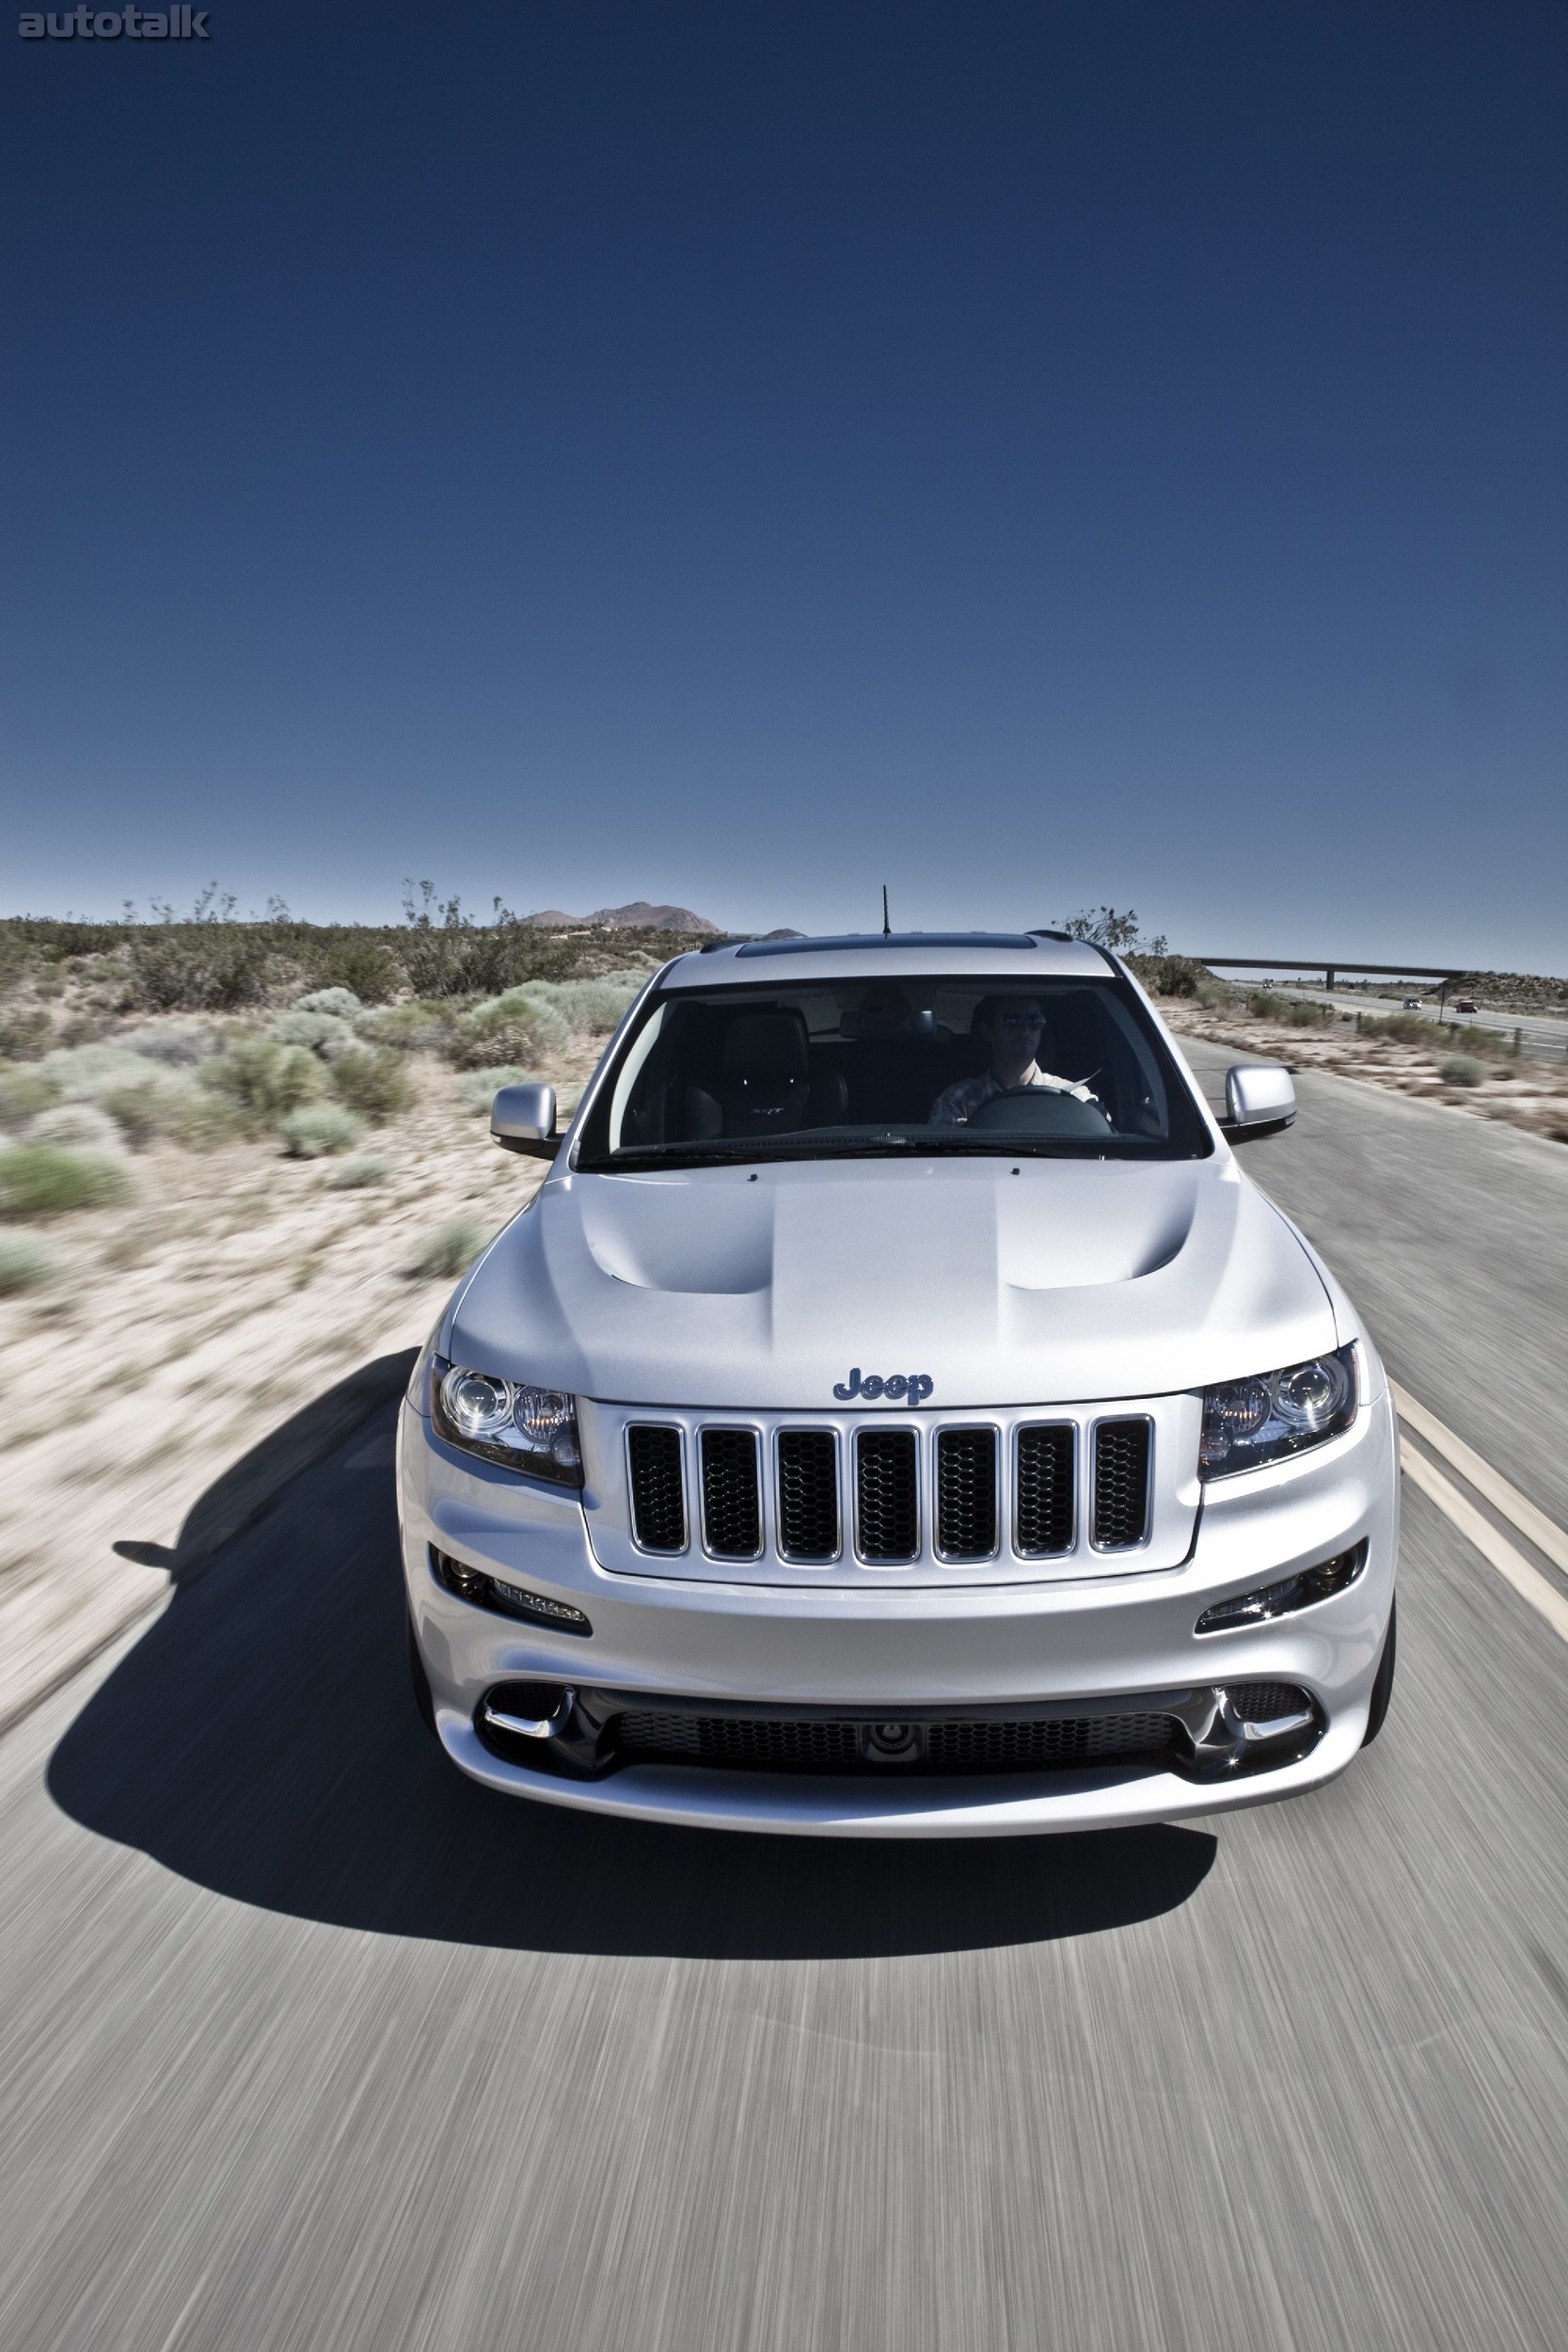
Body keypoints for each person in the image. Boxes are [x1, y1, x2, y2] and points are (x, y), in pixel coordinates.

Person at [928, 995, 1097, 1125]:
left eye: (1034, 1021)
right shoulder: (957, 1101)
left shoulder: (1072, 1097)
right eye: (1011, 1020)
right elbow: (936, 1162)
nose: (1025, 1028)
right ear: (988, 1032)